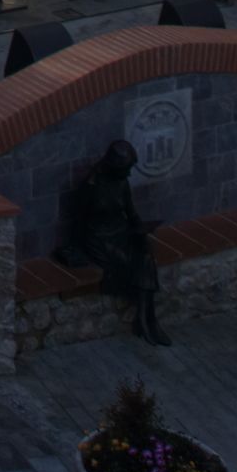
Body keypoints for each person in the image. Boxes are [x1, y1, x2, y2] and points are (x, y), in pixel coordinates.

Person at [60, 138, 170, 345]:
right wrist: (74, 248)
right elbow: (80, 219)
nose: (128, 174)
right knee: (132, 261)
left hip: (121, 231)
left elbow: (131, 212)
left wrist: (141, 228)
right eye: (125, 169)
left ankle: (146, 319)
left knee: (146, 255)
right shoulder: (92, 186)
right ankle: (147, 321)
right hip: (98, 239)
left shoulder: (121, 181)